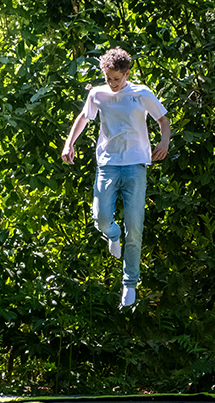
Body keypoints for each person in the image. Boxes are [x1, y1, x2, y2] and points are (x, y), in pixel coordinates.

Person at [61, 47, 171, 308]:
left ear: (127, 74)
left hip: (135, 165)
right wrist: (69, 143)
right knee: (100, 217)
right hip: (108, 164)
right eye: (108, 78)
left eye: (117, 79)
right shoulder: (97, 94)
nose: (112, 83)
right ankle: (111, 234)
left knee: (135, 228)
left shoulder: (140, 93)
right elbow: (84, 117)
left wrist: (164, 141)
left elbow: (163, 121)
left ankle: (129, 283)